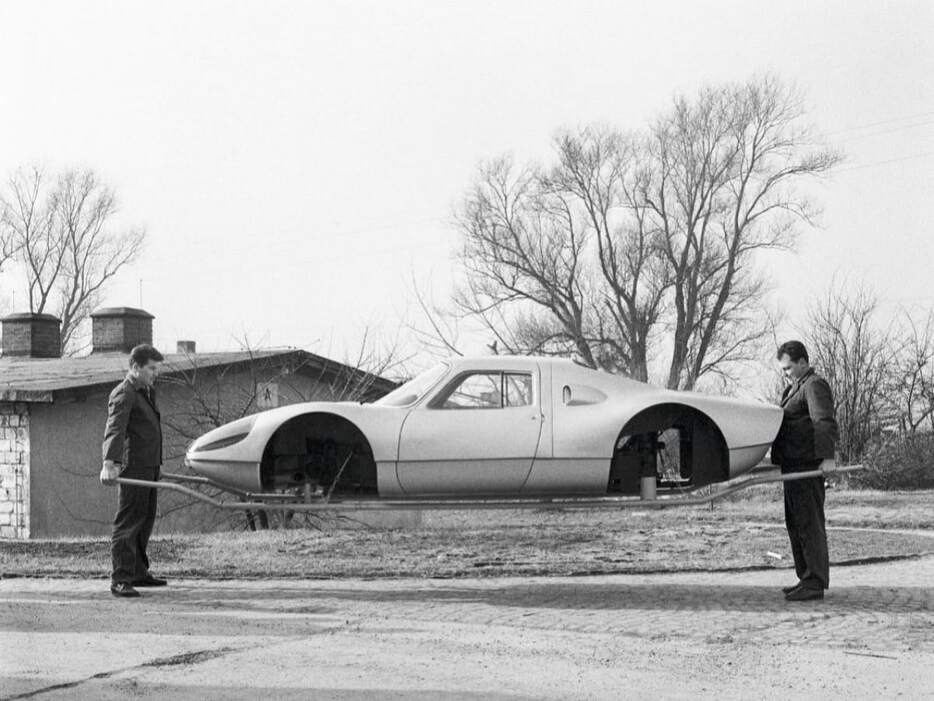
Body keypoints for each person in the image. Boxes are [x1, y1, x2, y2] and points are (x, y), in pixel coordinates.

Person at [771, 340, 839, 602]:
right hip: (792, 466)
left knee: (809, 523)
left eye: (788, 367)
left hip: (807, 466)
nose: (785, 372)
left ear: (802, 362)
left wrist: (827, 458)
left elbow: (823, 422)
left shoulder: (814, 385)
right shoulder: (795, 387)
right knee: (796, 523)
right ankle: (805, 578)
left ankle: (815, 582)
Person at [99, 344, 166, 597]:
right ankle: (121, 579)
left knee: (145, 520)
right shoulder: (124, 393)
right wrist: (109, 463)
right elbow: (115, 429)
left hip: (149, 466)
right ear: (135, 367)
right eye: (151, 369)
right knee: (128, 523)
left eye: (156, 369)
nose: (154, 373)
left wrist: (156, 464)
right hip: (134, 467)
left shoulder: (145, 391)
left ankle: (138, 572)